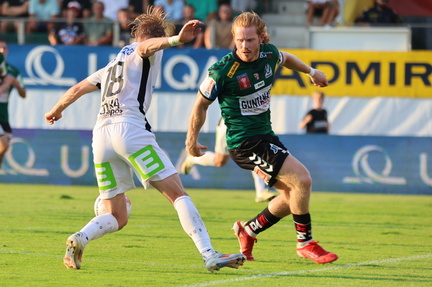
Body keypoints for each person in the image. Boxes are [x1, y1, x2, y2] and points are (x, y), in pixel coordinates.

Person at [44, 7, 246, 272]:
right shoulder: (143, 49)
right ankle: (209, 253)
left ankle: (80, 237)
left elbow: (77, 88)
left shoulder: (111, 64)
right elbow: (147, 46)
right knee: (177, 194)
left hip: (101, 137)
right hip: (130, 131)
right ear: (154, 38)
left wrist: (56, 109)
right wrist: (175, 40)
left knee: (117, 216)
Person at [185, 11, 338, 264]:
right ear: (233, 39)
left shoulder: (269, 54)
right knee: (303, 180)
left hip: (265, 136)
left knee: (293, 196)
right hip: (245, 142)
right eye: (239, 40)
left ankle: (248, 230)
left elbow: (286, 58)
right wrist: (191, 139)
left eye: (250, 40)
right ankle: (306, 243)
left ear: (261, 38)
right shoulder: (222, 71)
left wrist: (311, 71)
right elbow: (200, 104)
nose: (244, 46)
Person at [180, 117, 278, 203]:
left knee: (253, 152)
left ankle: (260, 192)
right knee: (220, 161)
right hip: (228, 122)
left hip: (248, 123)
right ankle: (193, 159)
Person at [0, 42, 26, 169]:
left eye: (4, 47)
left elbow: (23, 94)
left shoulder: (13, 71)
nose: (2, 50)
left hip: (4, 115)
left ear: (7, 51)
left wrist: (15, 84)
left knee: (3, 149)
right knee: (3, 145)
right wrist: (6, 84)